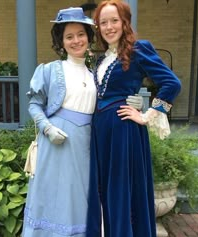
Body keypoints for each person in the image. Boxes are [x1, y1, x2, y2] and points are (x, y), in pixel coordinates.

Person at [22, 6, 142, 237]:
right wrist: (47, 128)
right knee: (54, 198)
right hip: (56, 145)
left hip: (87, 147)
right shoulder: (49, 70)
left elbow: (109, 102)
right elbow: (34, 104)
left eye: (81, 35)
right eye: (69, 36)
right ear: (61, 41)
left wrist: (137, 104)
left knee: (81, 201)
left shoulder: (95, 74)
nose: (76, 41)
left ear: (88, 37)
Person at [85, 1, 181, 237]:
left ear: (125, 22)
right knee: (103, 191)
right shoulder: (102, 59)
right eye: (103, 22)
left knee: (120, 189)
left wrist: (146, 115)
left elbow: (172, 83)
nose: (108, 27)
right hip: (101, 132)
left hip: (123, 132)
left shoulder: (138, 49)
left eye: (114, 21)